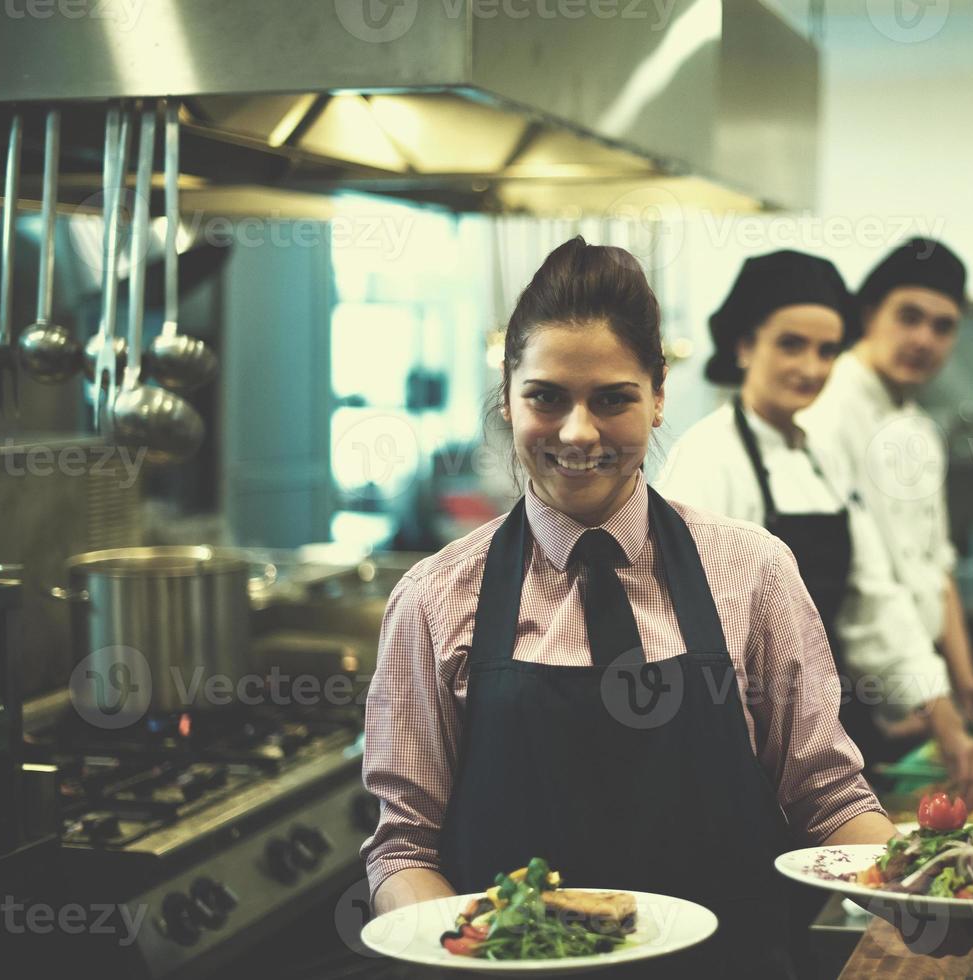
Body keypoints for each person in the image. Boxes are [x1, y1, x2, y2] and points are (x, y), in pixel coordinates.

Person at [360, 238, 898, 978]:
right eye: (546, 396)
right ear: (507, 395)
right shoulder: (431, 600)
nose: (578, 432)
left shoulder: (752, 570)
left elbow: (826, 794)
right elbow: (405, 849)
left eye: (611, 398)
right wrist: (457, 953)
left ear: (657, 397)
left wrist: (917, 896)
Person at [656, 249, 973, 802]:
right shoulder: (708, 458)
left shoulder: (818, 459)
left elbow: (872, 598)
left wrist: (941, 712)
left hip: (821, 732)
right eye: (791, 345)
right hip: (734, 745)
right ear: (744, 346)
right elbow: (678, 626)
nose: (811, 368)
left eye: (826, 350)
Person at [800, 238, 973, 724]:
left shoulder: (919, 429)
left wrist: (965, 680)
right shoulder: (826, 411)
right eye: (909, 317)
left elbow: (939, 566)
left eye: (943, 326)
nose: (924, 340)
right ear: (870, 314)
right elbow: (861, 584)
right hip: (850, 693)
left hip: (918, 688)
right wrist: (933, 699)